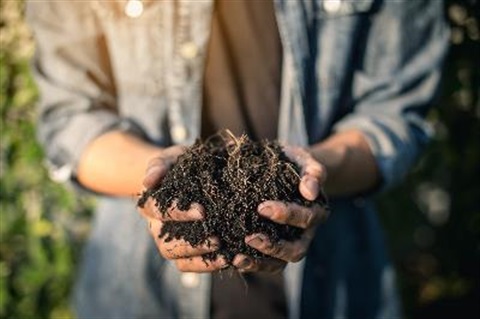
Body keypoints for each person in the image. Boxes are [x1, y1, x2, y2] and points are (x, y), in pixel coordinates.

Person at [27, 0, 449, 318]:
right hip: (140, 295)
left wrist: (313, 174)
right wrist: (154, 178)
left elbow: (395, 114)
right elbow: (70, 119)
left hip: (333, 287)